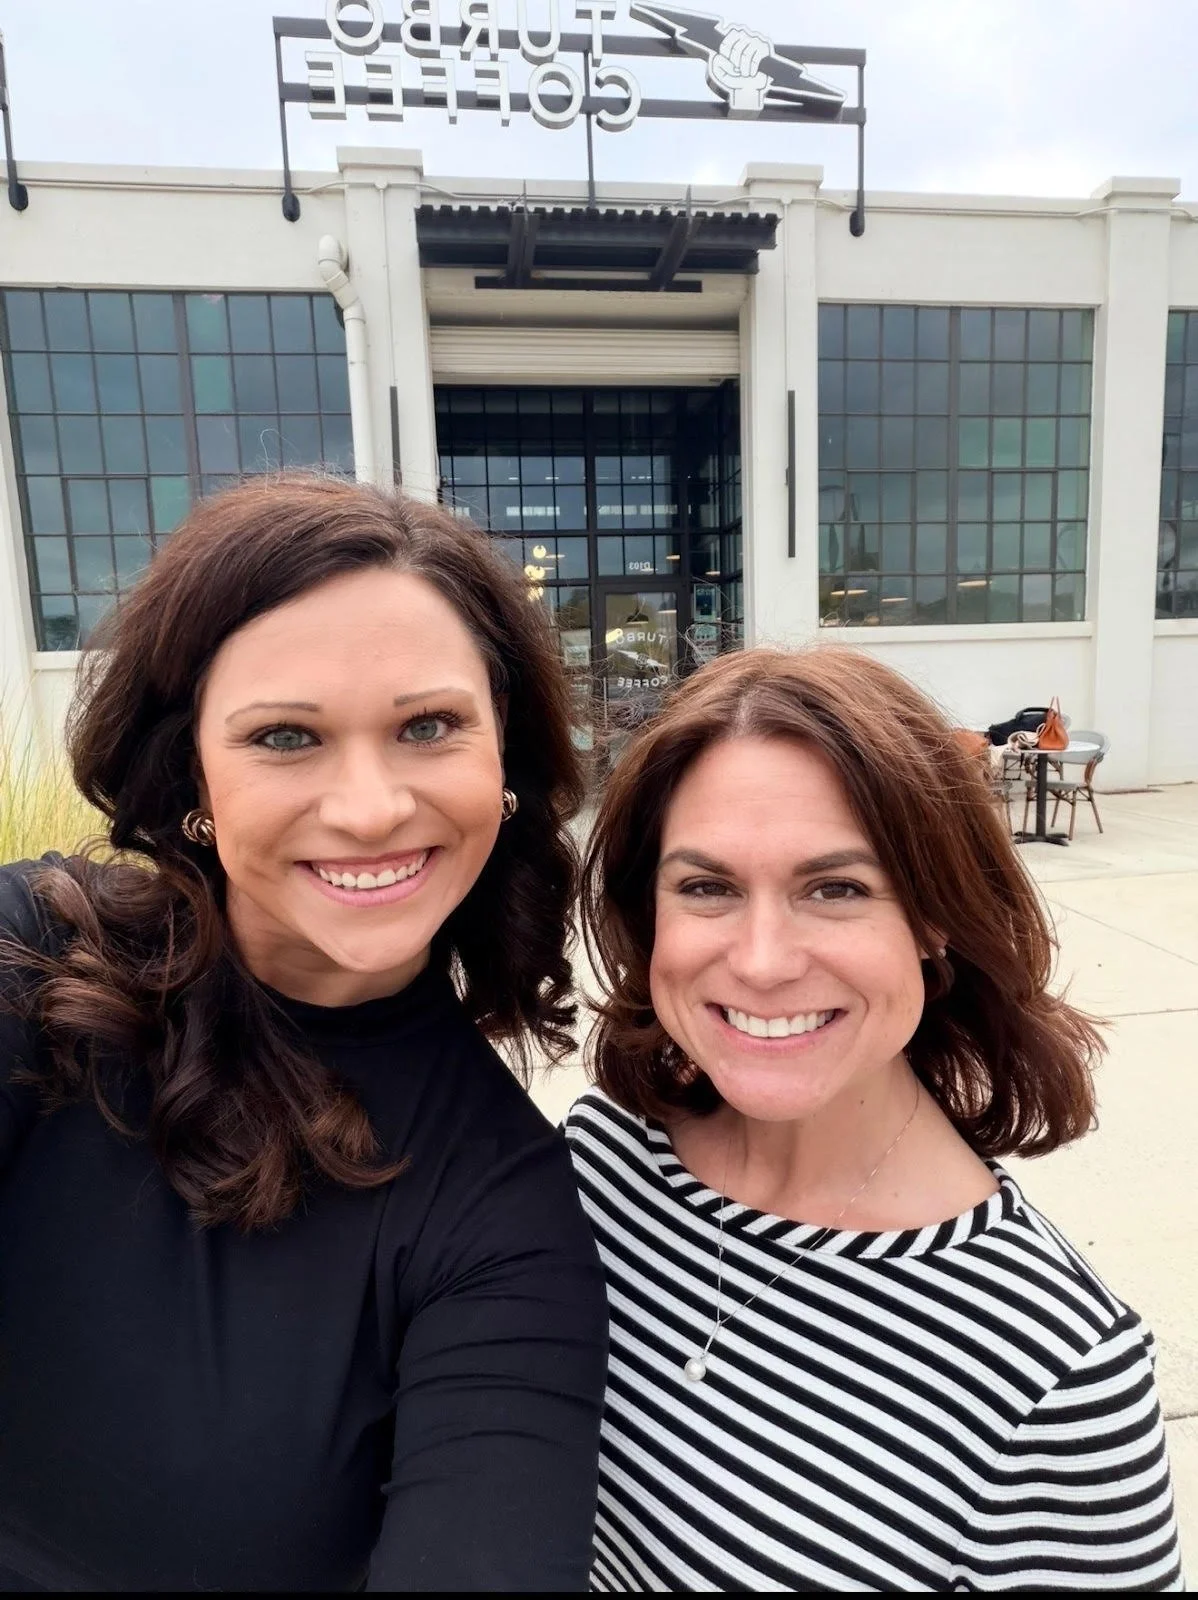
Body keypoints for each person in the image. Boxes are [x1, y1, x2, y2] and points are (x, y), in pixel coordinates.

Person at [0, 476, 608, 1593]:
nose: (370, 806)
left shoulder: (503, 1207)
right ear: (196, 779)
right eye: (287, 736)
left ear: (503, 763)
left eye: (428, 726)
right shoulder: (28, 965)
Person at [566, 646, 1183, 1592]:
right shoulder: (603, 1164)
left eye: (837, 889)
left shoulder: (1054, 1374)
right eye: (707, 886)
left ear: (935, 917)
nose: (764, 962)